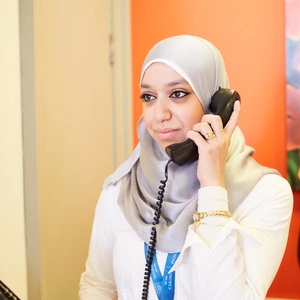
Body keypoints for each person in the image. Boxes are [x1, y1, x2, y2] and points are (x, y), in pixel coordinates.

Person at [79, 35, 293, 300]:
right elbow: (97, 286)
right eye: (148, 96)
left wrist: (212, 187)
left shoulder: (266, 194)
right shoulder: (121, 189)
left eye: (177, 94)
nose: (159, 115)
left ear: (215, 104)